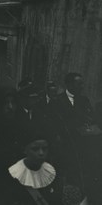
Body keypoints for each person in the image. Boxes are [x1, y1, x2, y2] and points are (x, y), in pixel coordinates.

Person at [52, 73, 102, 205]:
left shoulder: (84, 100)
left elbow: (89, 117)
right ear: (68, 84)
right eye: (78, 83)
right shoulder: (57, 100)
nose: (81, 86)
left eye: (82, 83)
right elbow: (55, 122)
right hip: (65, 144)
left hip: (82, 145)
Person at [6, 127, 64, 205]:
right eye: (35, 149)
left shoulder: (52, 174)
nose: (41, 153)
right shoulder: (13, 176)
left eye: (44, 149)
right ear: (24, 150)